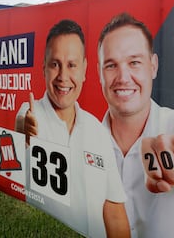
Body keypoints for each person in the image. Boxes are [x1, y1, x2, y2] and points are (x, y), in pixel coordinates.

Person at [97, 12, 174, 238]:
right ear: (99, 73)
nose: (123, 77)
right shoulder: (88, 141)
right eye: (111, 65)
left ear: (153, 66)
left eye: (134, 62)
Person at [15, 20, 130, 238]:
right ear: (43, 68)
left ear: (85, 69)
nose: (63, 77)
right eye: (55, 64)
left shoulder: (98, 131)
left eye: (72, 65)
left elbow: (114, 212)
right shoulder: (30, 114)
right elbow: (21, 126)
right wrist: (23, 130)